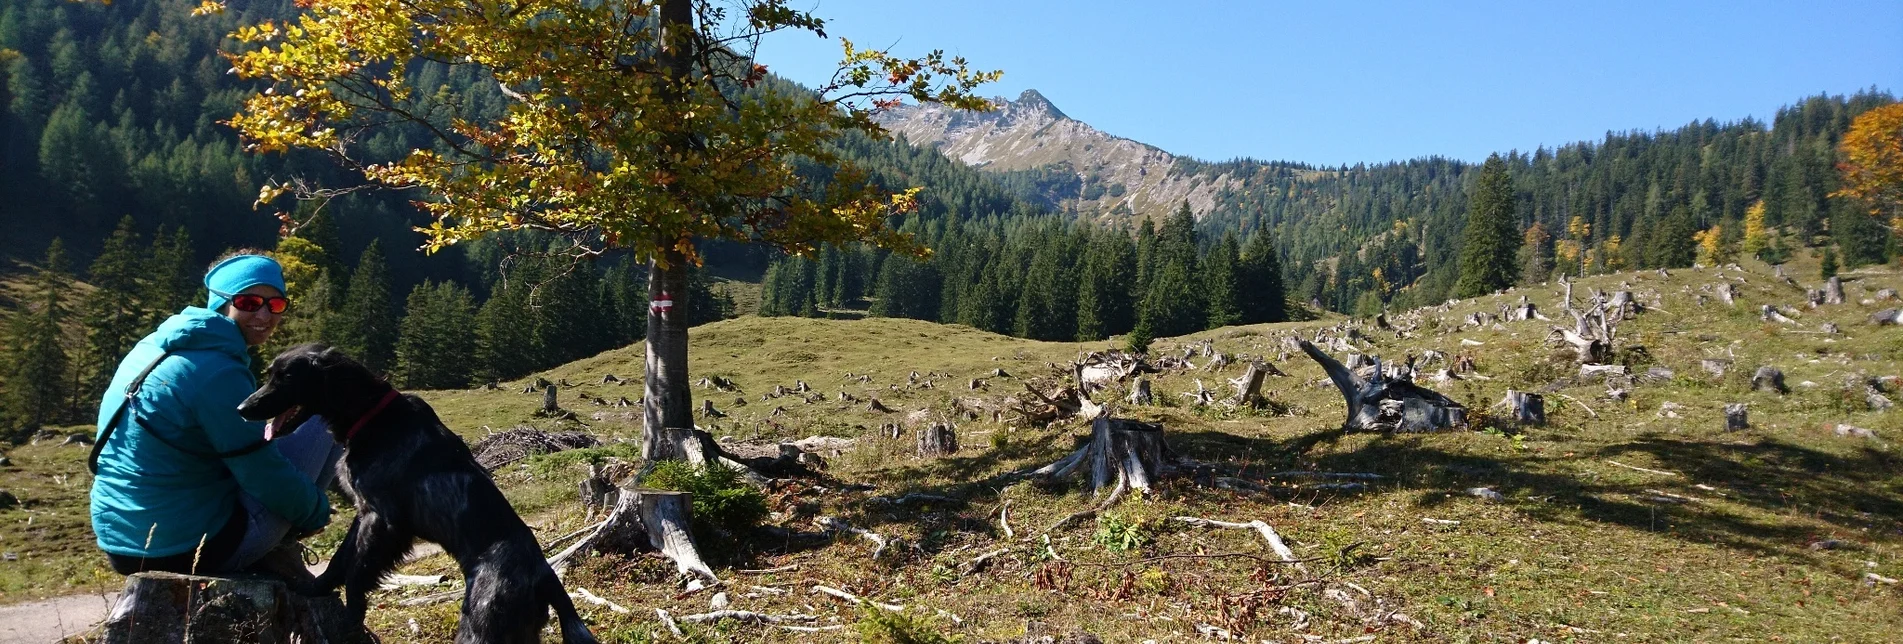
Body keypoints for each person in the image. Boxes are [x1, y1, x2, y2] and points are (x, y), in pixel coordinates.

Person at [89, 251, 339, 579]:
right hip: (186, 551)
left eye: (275, 304)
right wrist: (317, 513)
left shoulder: (152, 345)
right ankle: (286, 540)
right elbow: (261, 473)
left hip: (120, 542)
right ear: (220, 302)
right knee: (327, 407)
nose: (264, 314)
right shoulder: (219, 372)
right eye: (249, 302)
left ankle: (285, 537)